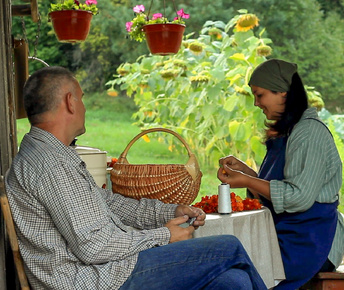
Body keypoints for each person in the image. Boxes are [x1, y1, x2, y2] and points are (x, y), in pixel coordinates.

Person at [6, 66, 267, 290]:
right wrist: (163, 236)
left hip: (110, 271)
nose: (84, 107)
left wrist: (169, 212)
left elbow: (111, 204)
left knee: (234, 282)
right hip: (95, 280)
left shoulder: (52, 155)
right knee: (229, 247)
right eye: (82, 99)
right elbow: (94, 246)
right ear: (70, 102)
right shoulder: (50, 164)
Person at [217, 59, 344, 289]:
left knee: (238, 277)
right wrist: (247, 172)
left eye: (260, 95)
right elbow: (279, 186)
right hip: (288, 235)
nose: (257, 103)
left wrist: (248, 180)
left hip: (311, 242)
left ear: (283, 93)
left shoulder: (309, 133)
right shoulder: (290, 132)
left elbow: (298, 197)